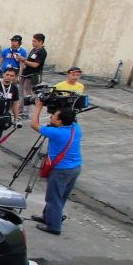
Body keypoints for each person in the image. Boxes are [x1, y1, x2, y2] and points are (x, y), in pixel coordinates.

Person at [30, 98, 82, 235]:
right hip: (75, 168)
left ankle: (54, 226)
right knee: (61, 196)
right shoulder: (75, 128)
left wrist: (38, 107)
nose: (51, 116)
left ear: (59, 121)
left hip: (61, 170)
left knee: (53, 198)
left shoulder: (56, 133)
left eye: (53, 115)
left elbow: (34, 125)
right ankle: (48, 217)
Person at [19, 33, 48, 117]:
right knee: (21, 92)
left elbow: (35, 65)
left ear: (40, 42)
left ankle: (26, 112)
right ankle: (20, 109)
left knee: (28, 94)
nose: (32, 43)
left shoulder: (42, 52)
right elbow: (28, 60)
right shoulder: (34, 49)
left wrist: (24, 60)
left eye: (34, 41)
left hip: (32, 75)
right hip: (25, 73)